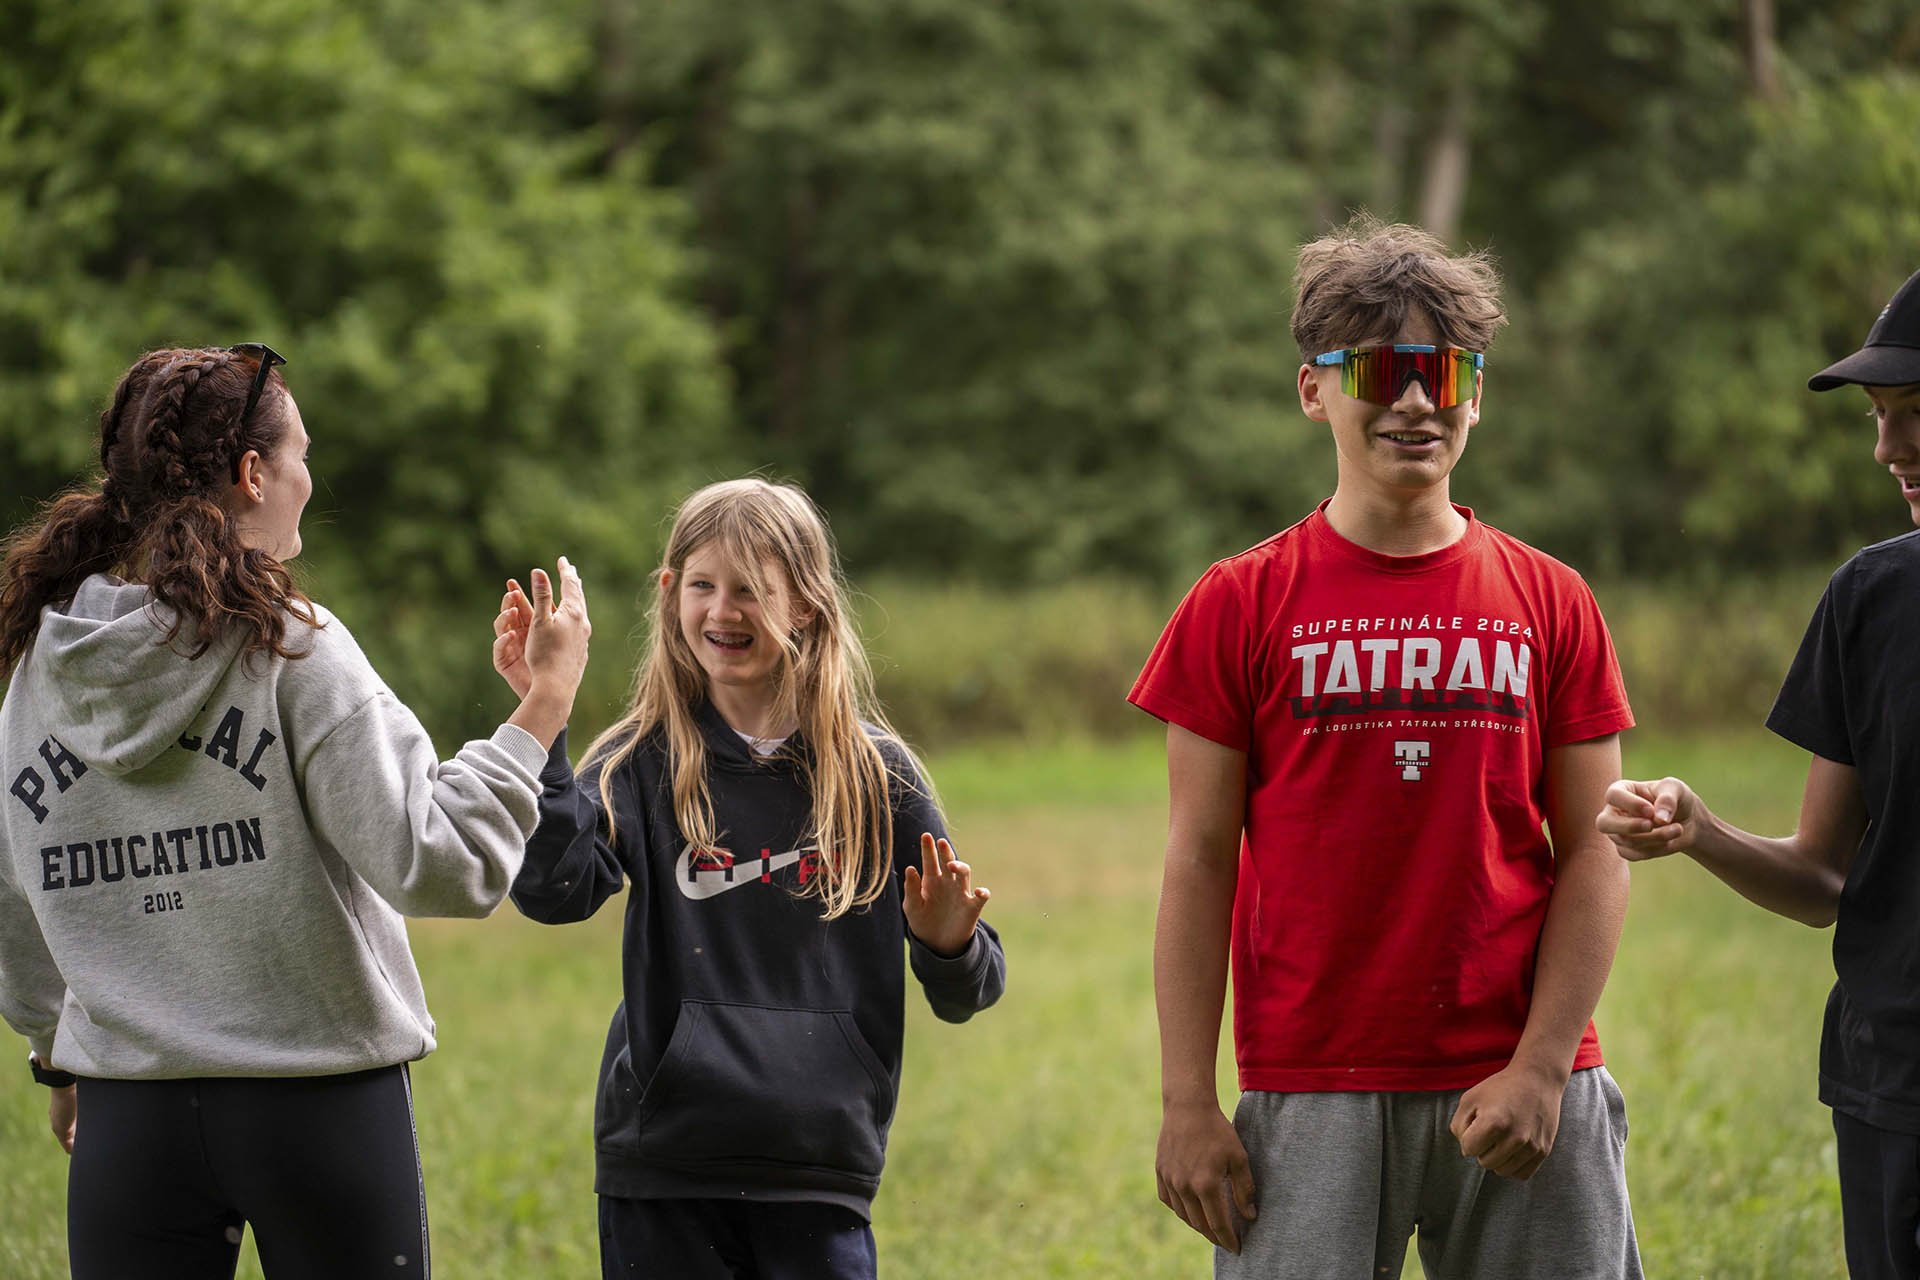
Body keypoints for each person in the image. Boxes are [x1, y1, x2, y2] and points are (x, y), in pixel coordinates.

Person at [0, 344, 591, 1279]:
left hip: (129, 1118)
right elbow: (440, 862)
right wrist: (545, 704)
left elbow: (13, 900)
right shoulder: (290, 647)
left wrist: (55, 1053)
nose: (309, 479)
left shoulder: (42, 669)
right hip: (319, 1105)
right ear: (253, 473)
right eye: (302, 455)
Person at [1131, 217, 1642, 1278]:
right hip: (1311, 1078)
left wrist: (1545, 1065)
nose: (1415, 399)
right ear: (1313, 390)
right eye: (1378, 368)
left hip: (1520, 1075)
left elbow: (1597, 847)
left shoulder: (1553, 599)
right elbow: (1198, 858)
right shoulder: (1237, 602)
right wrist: (1186, 1099)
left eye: (1443, 370)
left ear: (1476, 392)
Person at [494, 476, 1005, 1280]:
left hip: (817, 1166)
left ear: (803, 603)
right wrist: (546, 721)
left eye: (749, 590)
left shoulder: (879, 777)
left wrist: (949, 944)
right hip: (664, 1166)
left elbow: (970, 990)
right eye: (702, 585)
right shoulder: (636, 761)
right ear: (671, 592)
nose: (722, 612)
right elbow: (553, 894)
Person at [1598, 267, 1920, 1280]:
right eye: (1879, 415)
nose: (1889, 448)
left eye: (1916, 411)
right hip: (1898, 1083)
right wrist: (1700, 830)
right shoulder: (1870, 602)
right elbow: (1825, 878)